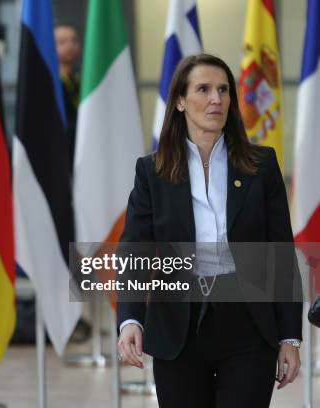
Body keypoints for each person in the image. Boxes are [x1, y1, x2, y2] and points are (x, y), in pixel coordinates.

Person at [116, 54, 302, 408]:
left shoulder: (261, 165)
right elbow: (135, 250)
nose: (216, 99)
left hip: (249, 326)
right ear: (181, 101)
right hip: (177, 328)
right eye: (203, 89)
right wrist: (130, 319)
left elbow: (280, 252)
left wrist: (290, 337)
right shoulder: (152, 172)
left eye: (223, 90)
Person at [54, 23, 81, 165]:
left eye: (74, 40)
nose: (70, 45)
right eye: (62, 42)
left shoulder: (81, 81)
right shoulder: (51, 85)